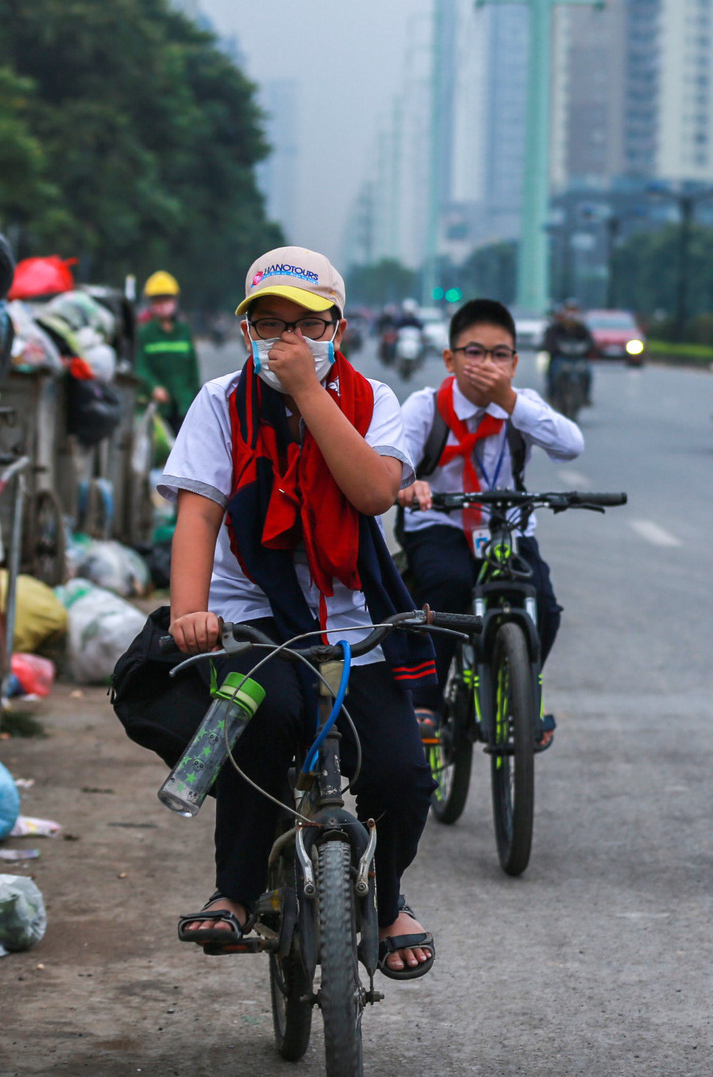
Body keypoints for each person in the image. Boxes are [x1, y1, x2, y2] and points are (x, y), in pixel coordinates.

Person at [160, 246, 437, 978]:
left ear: (336, 331)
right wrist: (188, 613)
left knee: (404, 776)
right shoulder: (220, 403)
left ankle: (387, 897)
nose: (286, 342)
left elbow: (374, 494)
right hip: (255, 620)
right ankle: (238, 891)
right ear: (245, 329)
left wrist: (311, 394)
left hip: (353, 627)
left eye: (305, 326)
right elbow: (199, 514)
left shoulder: (374, 399)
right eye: (269, 324)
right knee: (265, 721)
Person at [397, 299, 583, 749]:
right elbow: (392, 459)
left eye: (500, 355)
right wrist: (408, 484)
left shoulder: (523, 406)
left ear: (515, 363)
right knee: (448, 587)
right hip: (438, 522)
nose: (487, 364)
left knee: (545, 607)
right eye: (474, 352)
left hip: (507, 527)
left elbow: (571, 446)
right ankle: (428, 701)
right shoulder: (426, 407)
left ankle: (521, 692)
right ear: (450, 359)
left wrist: (509, 401)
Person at [134, 270, 203, 433]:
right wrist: (154, 387)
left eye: (166, 299)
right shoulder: (145, 333)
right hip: (156, 407)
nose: (162, 304)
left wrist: (197, 399)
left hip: (184, 404)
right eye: (158, 300)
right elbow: (141, 366)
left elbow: (193, 369)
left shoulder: (184, 331)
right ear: (151, 303)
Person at [542, 299, 596, 405]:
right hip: (561, 357)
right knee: (553, 370)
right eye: (569, 310)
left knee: (588, 372)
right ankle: (552, 395)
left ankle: (586, 396)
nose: (571, 314)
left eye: (574, 310)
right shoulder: (555, 328)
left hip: (578, 358)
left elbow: (590, 342)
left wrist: (587, 350)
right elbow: (548, 342)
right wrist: (553, 349)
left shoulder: (582, 328)